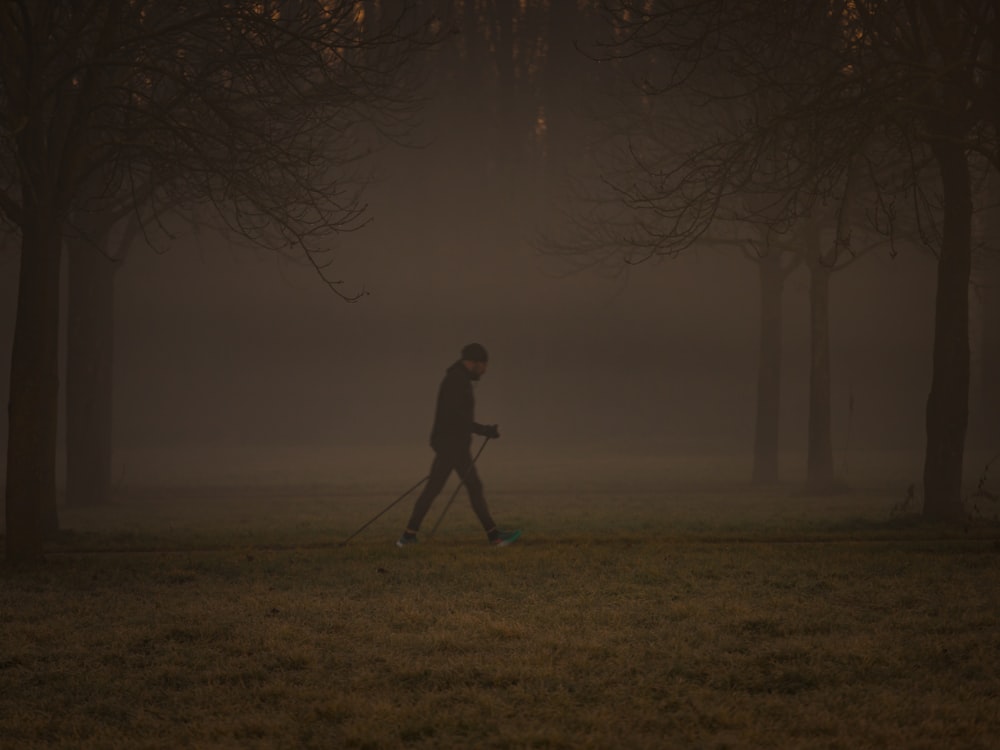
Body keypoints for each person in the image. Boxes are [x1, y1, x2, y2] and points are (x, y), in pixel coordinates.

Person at [397, 343, 521, 548]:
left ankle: (409, 536)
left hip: (452, 445)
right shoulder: (456, 381)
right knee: (458, 487)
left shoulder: (457, 379)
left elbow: (457, 417)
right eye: (483, 365)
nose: (485, 370)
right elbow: (457, 418)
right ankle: (495, 537)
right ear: (472, 363)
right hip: (452, 446)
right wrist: (484, 430)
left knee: (453, 488)